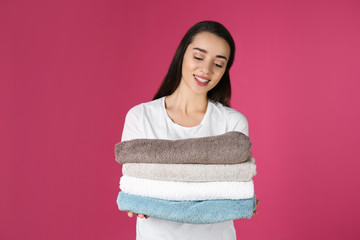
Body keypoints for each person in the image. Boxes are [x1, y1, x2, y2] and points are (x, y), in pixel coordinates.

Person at [119, 20, 259, 240]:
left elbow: (235, 186)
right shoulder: (141, 116)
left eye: (218, 64)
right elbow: (135, 188)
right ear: (182, 54)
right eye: (198, 56)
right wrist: (136, 199)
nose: (206, 69)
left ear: (224, 71)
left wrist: (239, 200)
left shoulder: (233, 123)